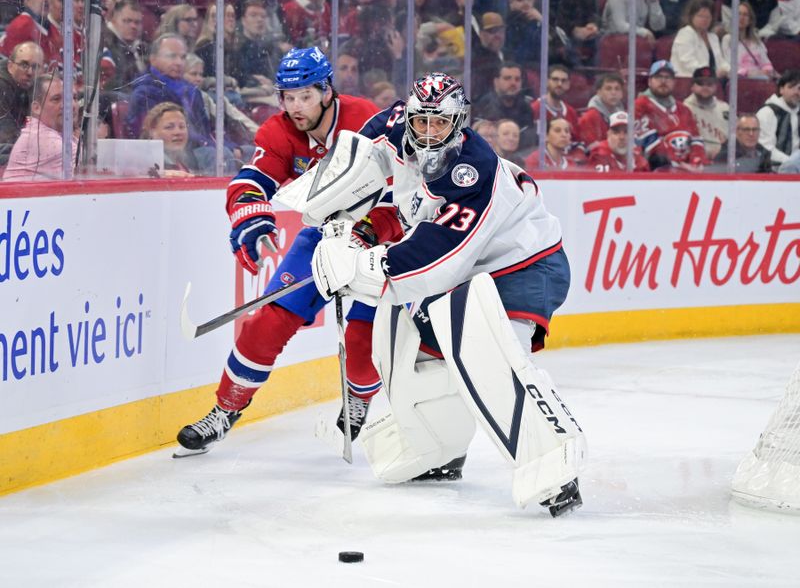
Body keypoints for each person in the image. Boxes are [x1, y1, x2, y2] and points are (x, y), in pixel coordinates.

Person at [310, 72, 585, 516]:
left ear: (459, 122)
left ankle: (553, 461)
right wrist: (353, 226)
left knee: (482, 348)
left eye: (441, 124)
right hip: (473, 272)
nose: (429, 132)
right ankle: (433, 445)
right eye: (422, 122)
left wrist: (359, 268)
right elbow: (387, 195)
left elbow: (436, 263)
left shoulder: (473, 172)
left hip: (524, 267)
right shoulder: (396, 130)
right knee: (401, 339)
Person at [175, 47, 386, 456]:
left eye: (305, 95)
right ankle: (224, 410)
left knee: (361, 335)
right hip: (321, 235)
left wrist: (381, 229)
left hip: (376, 236)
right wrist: (252, 221)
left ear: (327, 91)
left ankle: (359, 397)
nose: (295, 107)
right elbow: (250, 181)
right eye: (287, 97)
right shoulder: (278, 131)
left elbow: (405, 176)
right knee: (268, 322)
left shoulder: (368, 119)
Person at [3, 72, 78, 181]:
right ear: (36, 108)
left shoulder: (52, 134)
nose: (69, 105)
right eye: (56, 99)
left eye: (74, 98)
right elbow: (93, 169)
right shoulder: (42, 138)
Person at [635, 60, 707, 172]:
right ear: (649, 81)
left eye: (668, 77)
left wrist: (696, 161)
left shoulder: (684, 109)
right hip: (654, 172)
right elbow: (649, 146)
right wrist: (677, 165)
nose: (663, 81)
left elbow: (696, 140)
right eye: (658, 77)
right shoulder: (640, 106)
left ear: (674, 82)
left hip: (686, 169)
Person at [472, 63, 535, 148]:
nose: (513, 83)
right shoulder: (482, 106)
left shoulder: (526, 108)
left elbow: (529, 138)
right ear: (496, 82)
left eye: (517, 79)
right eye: (507, 78)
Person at [0, 42, 44, 158]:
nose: (30, 72)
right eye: (24, 65)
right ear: (10, 66)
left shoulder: (38, 87)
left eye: (35, 67)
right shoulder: (1, 87)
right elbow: (6, 135)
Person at [670, 0, 730, 78]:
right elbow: (688, 62)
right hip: (688, 80)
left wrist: (730, 71)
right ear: (691, 16)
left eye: (708, 17)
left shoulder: (713, 37)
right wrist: (710, 73)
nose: (704, 20)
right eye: (700, 16)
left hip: (712, 80)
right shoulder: (685, 33)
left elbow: (720, 61)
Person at [140, 101, 200, 177]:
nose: (178, 132)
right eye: (169, 127)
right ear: (152, 132)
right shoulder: (143, 165)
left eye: (182, 127)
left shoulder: (191, 161)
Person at [756, 69, 800, 168]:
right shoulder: (767, 113)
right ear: (781, 89)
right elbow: (766, 148)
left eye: (799, 89)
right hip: (772, 170)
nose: (796, 92)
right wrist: (791, 163)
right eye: (792, 87)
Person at [683, 66, 730, 159]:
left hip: (723, 161)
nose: (705, 87)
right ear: (692, 86)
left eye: (709, 84)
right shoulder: (684, 109)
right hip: (695, 160)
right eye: (700, 83)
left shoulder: (725, 108)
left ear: (716, 87)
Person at [721, 1, 775, 80]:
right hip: (739, 79)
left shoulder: (757, 41)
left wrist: (767, 70)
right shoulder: (727, 39)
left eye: (745, 15)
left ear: (750, 20)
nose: (741, 17)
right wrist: (747, 72)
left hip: (759, 78)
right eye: (739, 14)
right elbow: (728, 65)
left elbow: (766, 63)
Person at [103, 0, 148, 92]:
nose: (133, 26)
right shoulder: (105, 44)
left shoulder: (141, 47)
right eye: (127, 21)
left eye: (137, 22)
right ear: (114, 19)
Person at [576, 72, 625, 151]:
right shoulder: (590, 117)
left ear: (622, 93)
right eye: (608, 89)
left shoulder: (623, 115)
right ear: (599, 92)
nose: (613, 93)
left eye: (617, 89)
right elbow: (592, 150)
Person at [530, 65, 580, 141]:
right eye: (555, 79)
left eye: (563, 81)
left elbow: (576, 140)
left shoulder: (571, 112)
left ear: (568, 84)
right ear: (546, 82)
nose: (559, 84)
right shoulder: (534, 109)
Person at [602, 0, 666, 42]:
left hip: (638, 42)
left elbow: (658, 27)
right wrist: (644, 32)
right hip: (613, 42)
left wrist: (654, 2)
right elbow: (620, 26)